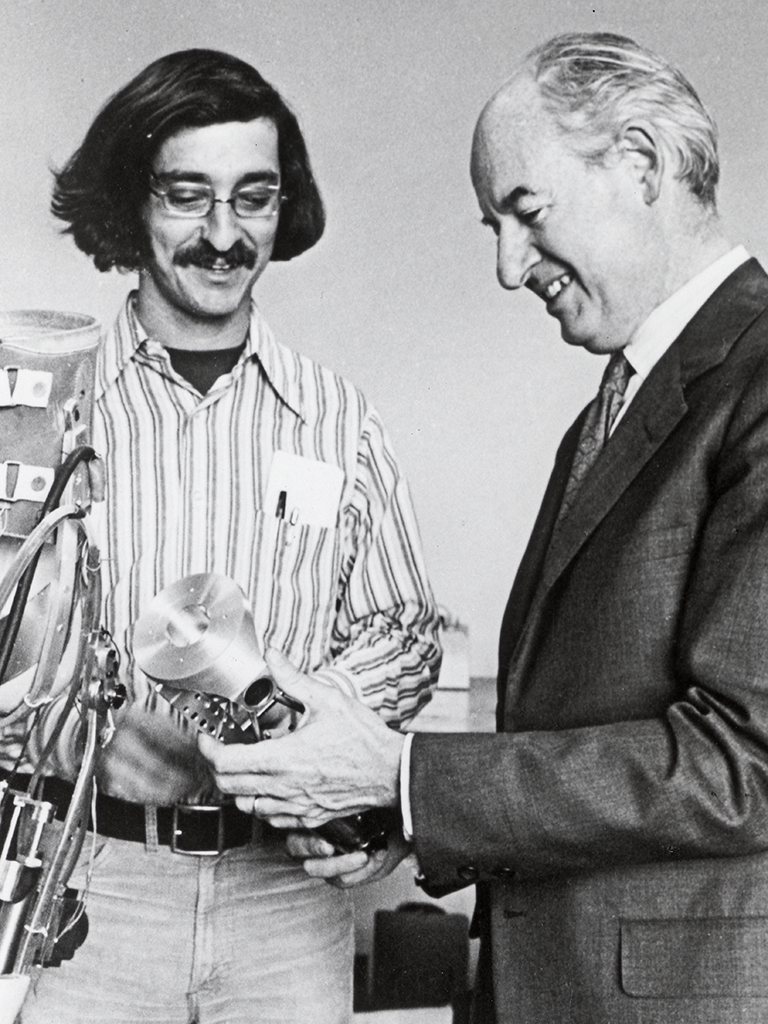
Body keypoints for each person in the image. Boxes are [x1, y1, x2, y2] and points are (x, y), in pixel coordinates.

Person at [201, 32, 768, 1024]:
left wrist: (406, 771)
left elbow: (741, 766)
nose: (508, 267)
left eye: (525, 211)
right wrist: (409, 815)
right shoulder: (618, 408)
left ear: (641, 164)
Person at [6, 48, 441, 1024]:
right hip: (87, 891)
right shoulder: (37, 410)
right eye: (186, 196)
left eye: (253, 198)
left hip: (286, 901)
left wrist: (296, 720)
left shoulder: (338, 418)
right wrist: (80, 734)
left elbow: (403, 630)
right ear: (133, 202)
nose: (221, 234)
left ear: (285, 209)